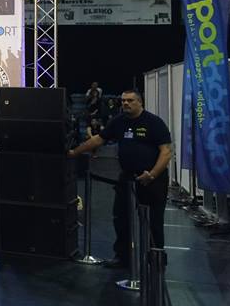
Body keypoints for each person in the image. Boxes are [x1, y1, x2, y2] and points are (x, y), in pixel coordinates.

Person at [68, 89, 172, 264]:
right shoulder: (118, 121)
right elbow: (98, 140)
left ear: (140, 102)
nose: (125, 104)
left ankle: (156, 260)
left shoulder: (154, 122)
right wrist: (74, 152)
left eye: (130, 100)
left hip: (152, 180)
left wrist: (153, 174)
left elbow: (166, 151)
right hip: (128, 178)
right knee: (121, 218)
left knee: (153, 221)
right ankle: (123, 257)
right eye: (123, 101)